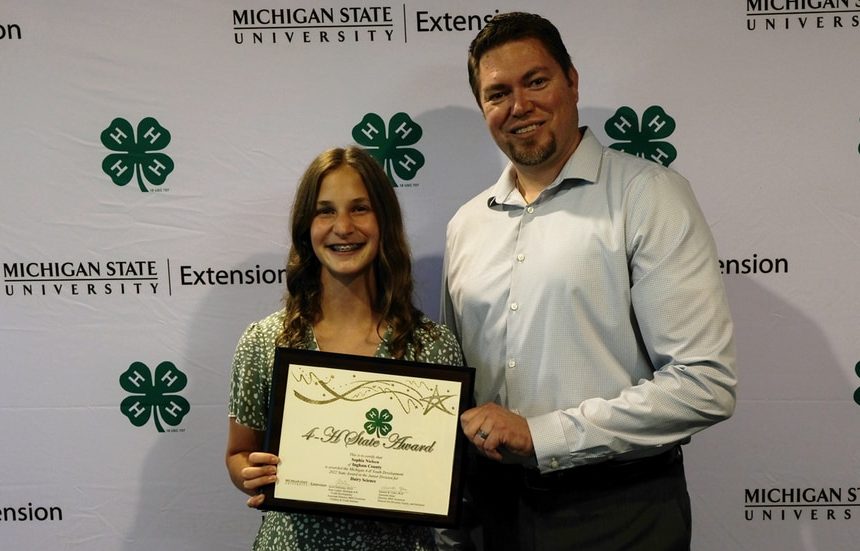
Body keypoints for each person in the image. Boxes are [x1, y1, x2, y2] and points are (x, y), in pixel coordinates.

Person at [441, 12, 737, 551]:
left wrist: (541, 436)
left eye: (536, 81)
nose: (519, 106)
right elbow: (452, 384)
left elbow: (704, 384)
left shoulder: (647, 196)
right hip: (491, 514)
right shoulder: (466, 225)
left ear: (572, 81)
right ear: (483, 108)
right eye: (497, 93)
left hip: (619, 513)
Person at [226, 146, 464, 550]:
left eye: (359, 208)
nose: (343, 227)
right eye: (325, 211)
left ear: (384, 221)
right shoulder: (265, 342)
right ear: (306, 226)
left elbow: (444, 477)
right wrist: (250, 473)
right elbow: (239, 453)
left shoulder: (433, 346)